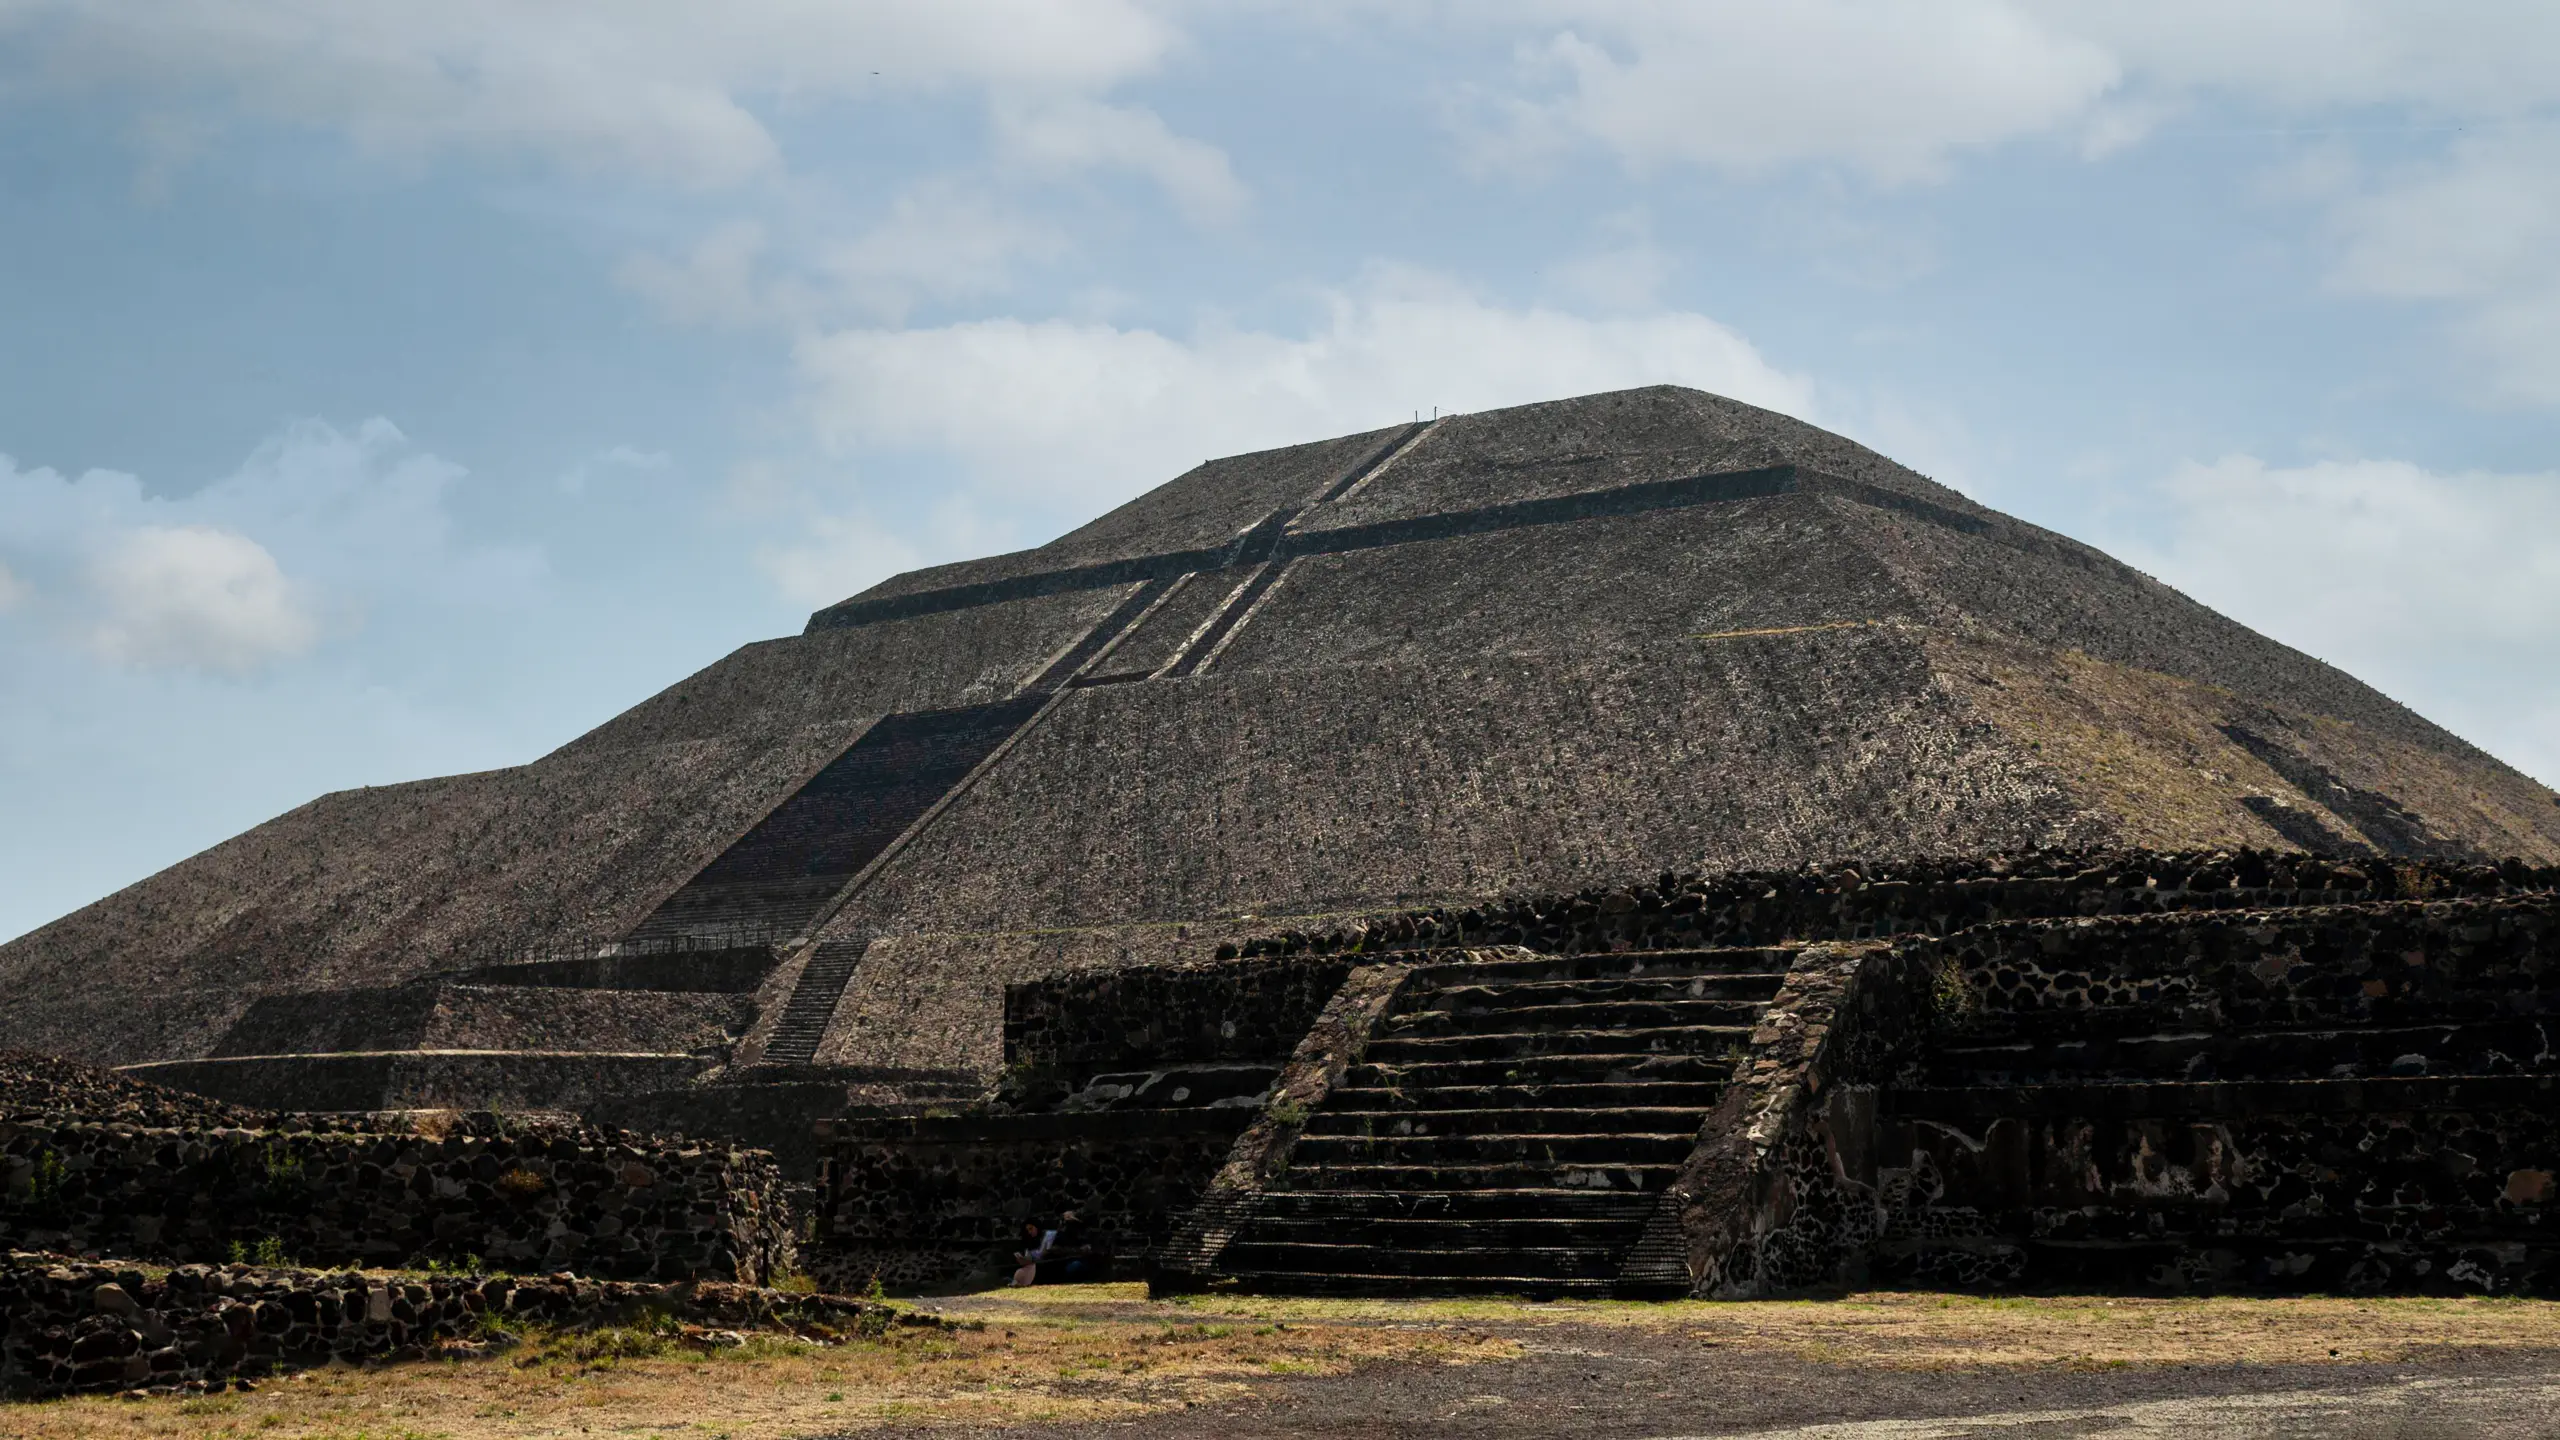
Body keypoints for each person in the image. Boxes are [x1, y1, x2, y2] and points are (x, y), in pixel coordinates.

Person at [1009, 1218, 1050, 1287]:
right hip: (1032, 1266)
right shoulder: (1031, 1241)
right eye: (1028, 1230)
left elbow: (1043, 1254)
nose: (1029, 1232)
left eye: (1031, 1229)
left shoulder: (1047, 1236)